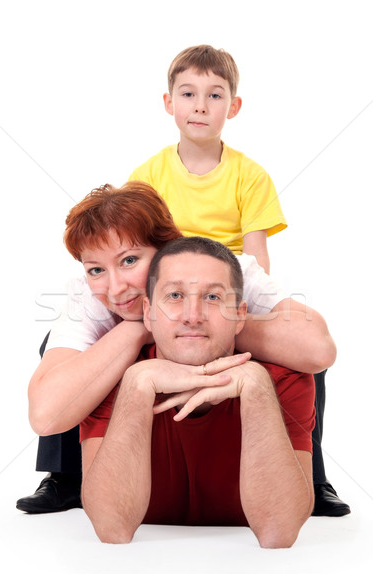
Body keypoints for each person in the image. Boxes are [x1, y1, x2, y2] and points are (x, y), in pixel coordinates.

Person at [17, 182, 335, 515]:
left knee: (296, 360)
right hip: (131, 400)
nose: (115, 287)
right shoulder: (88, 298)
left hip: (226, 380)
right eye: (96, 269)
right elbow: (45, 414)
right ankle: (66, 477)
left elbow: (317, 350)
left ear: (168, 247)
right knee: (60, 352)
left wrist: (201, 325)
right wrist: (139, 328)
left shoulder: (226, 269)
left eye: (129, 261)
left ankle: (310, 477)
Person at [128, 44, 349, 516]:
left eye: (214, 95)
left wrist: (234, 307)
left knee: (307, 356)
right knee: (61, 345)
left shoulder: (250, 175)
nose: (201, 106)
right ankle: (63, 474)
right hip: (169, 288)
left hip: (230, 285)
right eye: (188, 94)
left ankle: (314, 475)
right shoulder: (147, 175)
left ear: (234, 106)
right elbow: (139, 249)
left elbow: (256, 254)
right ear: (169, 102)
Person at [81, 236, 316, 547]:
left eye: (213, 298)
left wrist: (257, 387)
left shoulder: (283, 379)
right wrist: (137, 383)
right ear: (149, 313)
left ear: (240, 315)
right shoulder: (110, 377)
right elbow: (112, 529)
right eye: (175, 295)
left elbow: (279, 533)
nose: (193, 316)